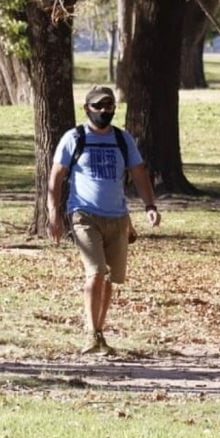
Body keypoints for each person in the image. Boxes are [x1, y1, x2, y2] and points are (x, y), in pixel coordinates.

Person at [46, 86, 161, 355]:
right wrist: (53, 212)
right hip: (84, 214)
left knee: (109, 279)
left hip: (118, 218)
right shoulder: (74, 138)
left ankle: (99, 332)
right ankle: (89, 331)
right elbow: (56, 176)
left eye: (109, 106)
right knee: (96, 271)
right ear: (87, 109)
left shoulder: (122, 139)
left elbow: (139, 172)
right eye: (98, 107)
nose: (104, 111)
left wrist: (150, 205)